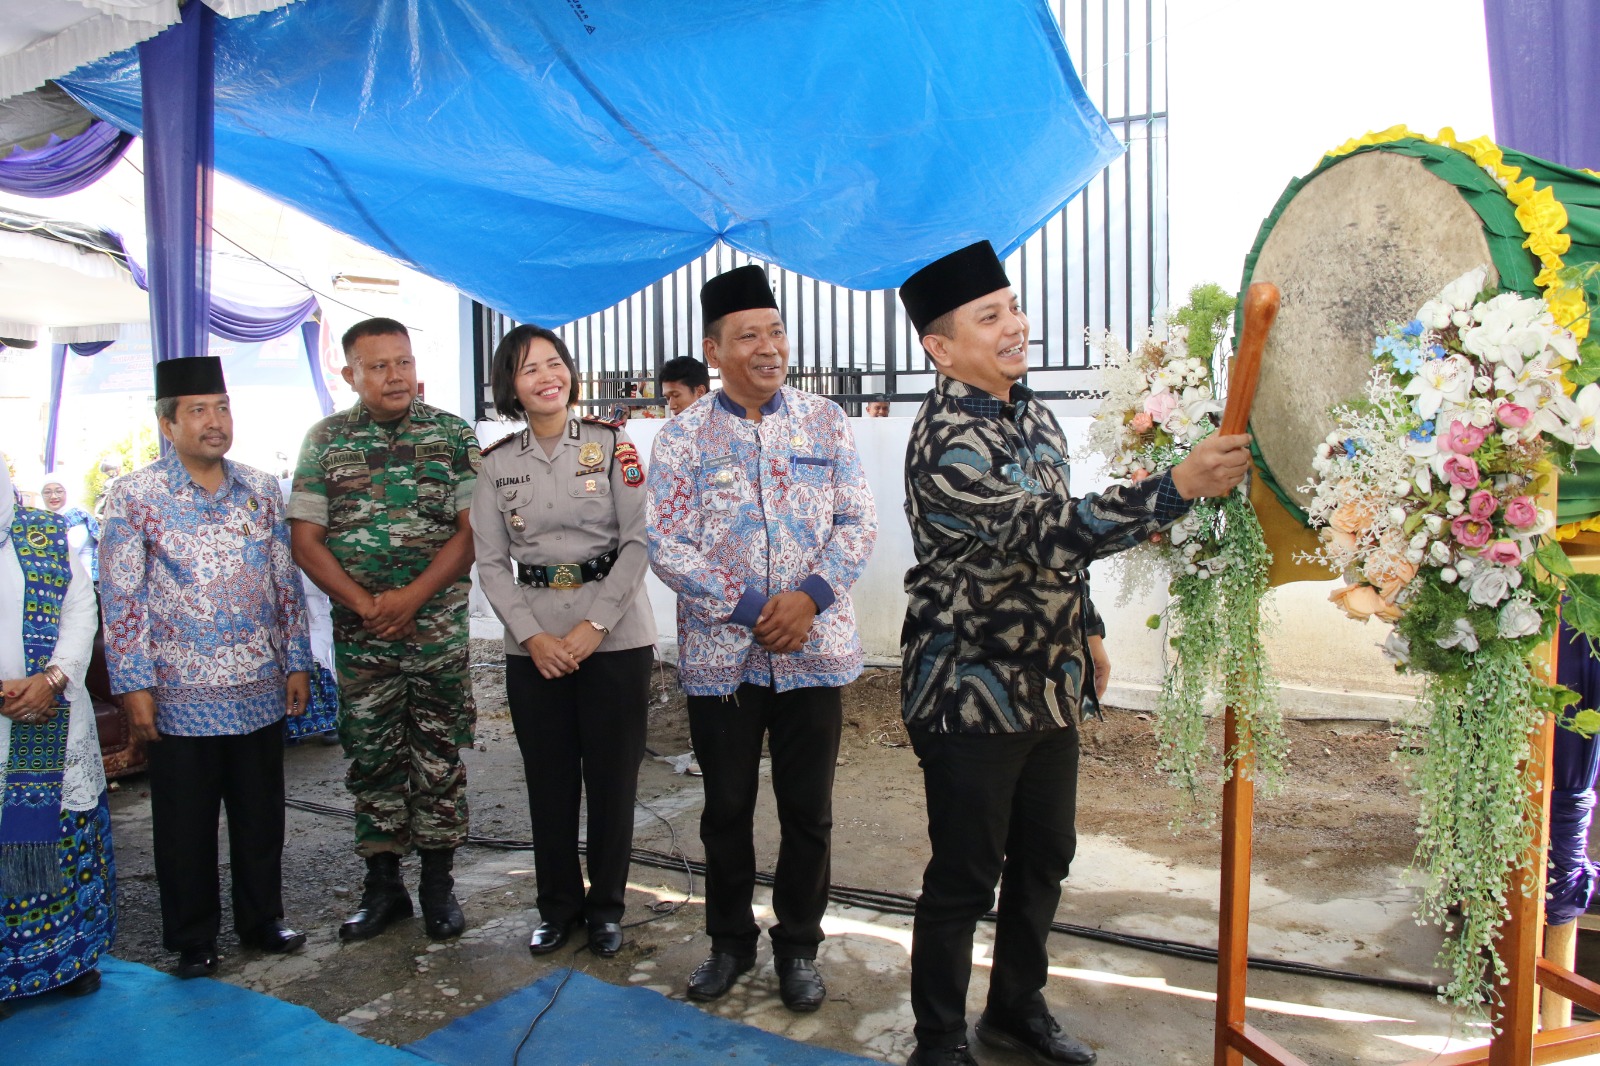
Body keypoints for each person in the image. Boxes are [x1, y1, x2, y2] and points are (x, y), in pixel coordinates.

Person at [895, 242, 1253, 1066]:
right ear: (940, 347)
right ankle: (939, 1041)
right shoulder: (944, 438)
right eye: (991, 317)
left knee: (1046, 856)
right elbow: (1040, 527)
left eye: (1013, 307)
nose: (1016, 325)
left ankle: (1015, 1008)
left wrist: (1087, 628)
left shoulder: (1035, 415)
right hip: (969, 689)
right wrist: (1175, 487)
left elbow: (1063, 550)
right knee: (965, 873)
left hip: (1047, 686)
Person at [646, 264, 878, 1012]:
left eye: (775, 331)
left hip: (814, 651)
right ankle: (728, 942)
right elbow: (668, 543)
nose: (769, 347)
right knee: (726, 809)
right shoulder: (681, 438)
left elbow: (858, 522)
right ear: (715, 350)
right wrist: (751, 607)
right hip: (723, 658)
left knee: (809, 810)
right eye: (749, 335)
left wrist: (807, 601)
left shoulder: (825, 421)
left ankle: (799, 948)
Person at [99, 357, 313, 979]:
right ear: (168, 424)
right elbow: (121, 597)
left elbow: (284, 583)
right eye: (198, 410)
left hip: (257, 686)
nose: (214, 422)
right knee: (185, 822)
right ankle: (193, 937)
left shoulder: (261, 488)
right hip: (177, 693)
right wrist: (133, 685)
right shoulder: (135, 496)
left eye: (221, 407)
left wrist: (296, 663)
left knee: (260, 811)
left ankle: (262, 919)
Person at [289, 318, 480, 943]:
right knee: (372, 758)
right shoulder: (325, 440)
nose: (395, 376)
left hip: (436, 633)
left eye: (402, 362)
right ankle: (383, 888)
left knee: (437, 754)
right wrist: (367, 605)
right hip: (362, 635)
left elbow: (471, 532)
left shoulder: (451, 434)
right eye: (378, 366)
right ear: (350, 375)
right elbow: (306, 540)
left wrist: (412, 598)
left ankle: (437, 887)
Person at [471, 325, 655, 959]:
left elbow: (637, 543)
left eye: (555, 364)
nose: (547, 377)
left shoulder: (613, 446)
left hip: (616, 637)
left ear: (570, 373)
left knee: (612, 781)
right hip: (535, 646)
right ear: (512, 387)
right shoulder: (496, 466)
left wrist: (590, 628)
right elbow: (491, 562)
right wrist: (533, 635)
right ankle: (555, 908)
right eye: (529, 370)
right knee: (548, 783)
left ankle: (606, 907)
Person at [0, 458, 115, 1015]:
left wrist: (52, 679)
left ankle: (71, 961)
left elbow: (80, 610)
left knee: (66, 837)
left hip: (57, 711)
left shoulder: (47, 534)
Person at [39, 475, 101, 583]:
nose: (53, 496)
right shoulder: (42, 519)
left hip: (79, 585)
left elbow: (68, 550)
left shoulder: (77, 517)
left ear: (67, 493)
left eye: (59, 491)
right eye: (47, 492)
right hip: (57, 581)